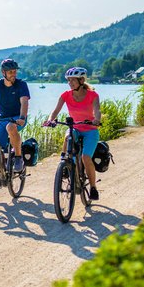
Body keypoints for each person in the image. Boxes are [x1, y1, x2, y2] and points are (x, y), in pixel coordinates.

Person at [43, 67, 103, 200]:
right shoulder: (66, 95)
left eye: (73, 80)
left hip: (90, 131)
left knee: (86, 157)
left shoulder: (93, 95)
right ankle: (64, 163)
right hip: (75, 128)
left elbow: (97, 110)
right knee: (67, 137)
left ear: (81, 80)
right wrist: (50, 120)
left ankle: (93, 187)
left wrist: (97, 120)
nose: (70, 83)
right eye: (68, 80)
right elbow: (55, 111)